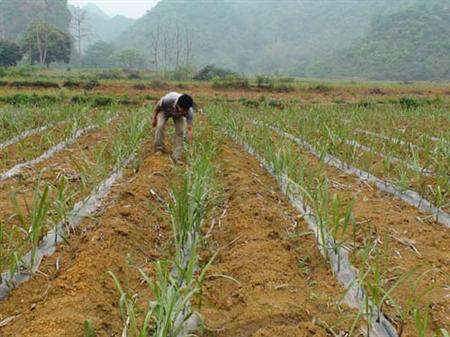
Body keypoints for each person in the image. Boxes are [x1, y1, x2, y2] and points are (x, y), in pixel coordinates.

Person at [152, 92, 195, 161]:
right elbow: (157, 107)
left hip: (178, 115)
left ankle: (176, 155)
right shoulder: (168, 100)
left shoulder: (189, 112)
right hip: (164, 111)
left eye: (186, 111)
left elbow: (190, 130)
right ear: (178, 105)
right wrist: (154, 118)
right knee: (160, 126)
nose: (184, 112)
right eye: (183, 110)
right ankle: (159, 149)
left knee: (180, 131)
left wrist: (190, 147)